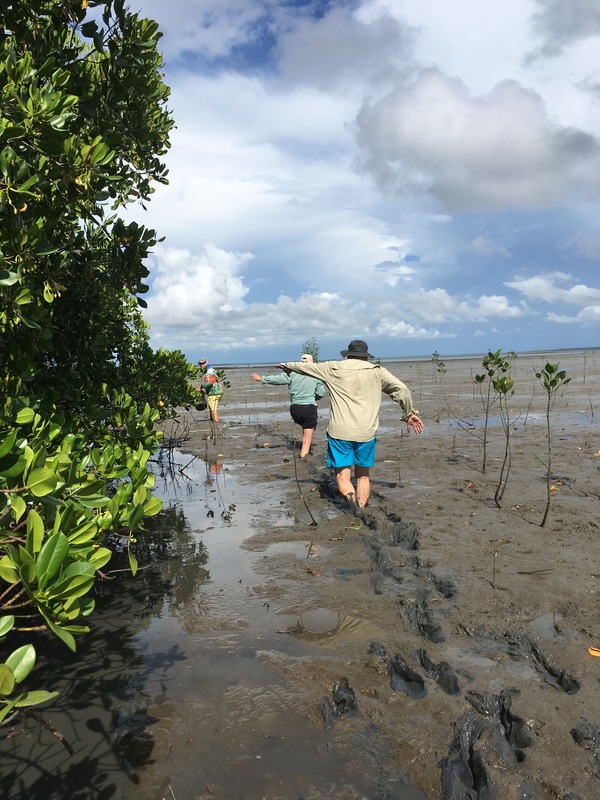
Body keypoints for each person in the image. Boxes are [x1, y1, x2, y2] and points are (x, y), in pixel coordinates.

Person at [278, 339, 423, 512]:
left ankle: (351, 502)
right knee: (363, 476)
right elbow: (402, 389)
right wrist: (408, 413)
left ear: (349, 354)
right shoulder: (378, 372)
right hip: (366, 433)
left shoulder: (333, 368)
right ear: (366, 356)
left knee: (342, 476)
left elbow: (308, 367)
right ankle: (361, 509)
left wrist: (287, 365)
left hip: (340, 433)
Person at [251, 354, 326, 457]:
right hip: (309, 408)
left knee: (304, 427)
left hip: (295, 410)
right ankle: (303, 457)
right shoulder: (316, 376)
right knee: (307, 439)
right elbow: (321, 393)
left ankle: (305, 450)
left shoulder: (292, 374)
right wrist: (313, 397)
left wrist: (261, 379)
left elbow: (277, 380)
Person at [198, 357, 223, 423]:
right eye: (200, 364)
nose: (201, 365)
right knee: (211, 407)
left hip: (214, 393)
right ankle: (212, 420)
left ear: (206, 362)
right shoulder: (212, 370)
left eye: (203, 363)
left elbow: (209, 383)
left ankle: (216, 425)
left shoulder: (208, 372)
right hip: (218, 391)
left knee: (213, 410)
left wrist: (201, 387)